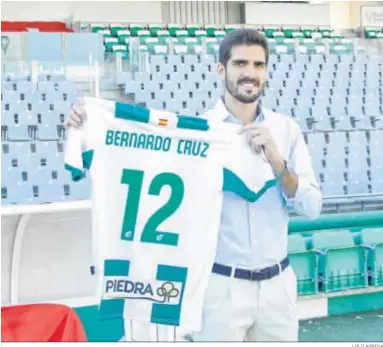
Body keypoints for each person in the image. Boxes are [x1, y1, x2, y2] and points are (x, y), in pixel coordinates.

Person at [66, 29, 322, 342]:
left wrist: (278, 163)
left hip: (278, 286)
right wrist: (88, 124)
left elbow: (312, 206)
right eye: (241, 63)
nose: (250, 73)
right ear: (221, 69)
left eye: (258, 65)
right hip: (220, 287)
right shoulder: (199, 133)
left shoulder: (286, 130)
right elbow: (139, 153)